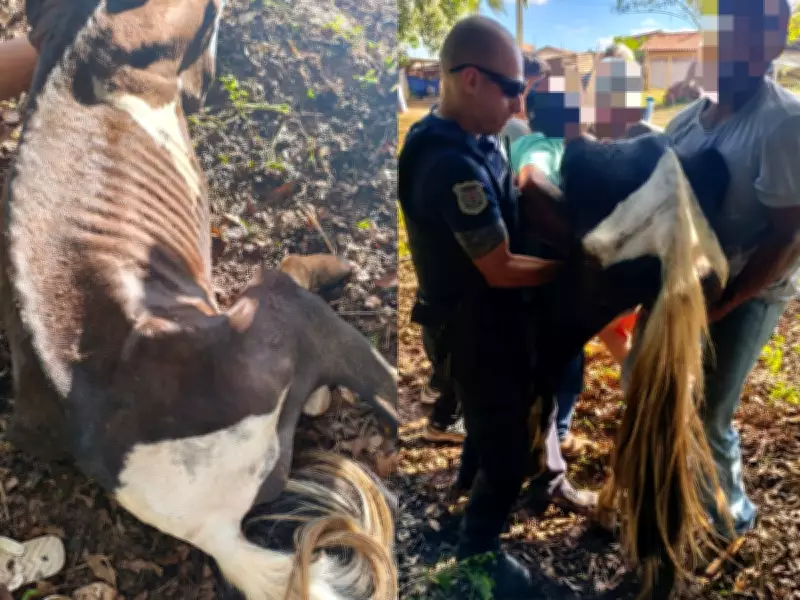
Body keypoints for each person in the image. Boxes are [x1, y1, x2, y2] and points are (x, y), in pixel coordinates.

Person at [398, 15, 597, 594]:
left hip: (486, 324)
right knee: (509, 457)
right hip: (473, 334)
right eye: (511, 88)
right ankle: (476, 563)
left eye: (523, 91)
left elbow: (516, 196)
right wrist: (579, 272)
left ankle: (466, 499)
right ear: (469, 80)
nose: (518, 104)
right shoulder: (449, 165)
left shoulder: (472, 139)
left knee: (492, 432)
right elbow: (500, 267)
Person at [631, 0, 800, 545]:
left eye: (751, 34)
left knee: (708, 411)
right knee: (641, 380)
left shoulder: (783, 125)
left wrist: (724, 304)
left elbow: (786, 236)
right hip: (681, 284)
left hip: (749, 289)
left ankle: (730, 516)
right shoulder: (687, 121)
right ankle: (653, 496)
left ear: (773, 43)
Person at [510, 62, 641, 455]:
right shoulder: (543, 146)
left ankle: (549, 434)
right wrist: (580, 246)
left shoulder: (546, 141)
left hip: (545, 281)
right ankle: (552, 442)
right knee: (561, 368)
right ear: (574, 112)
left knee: (564, 364)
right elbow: (531, 182)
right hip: (547, 281)